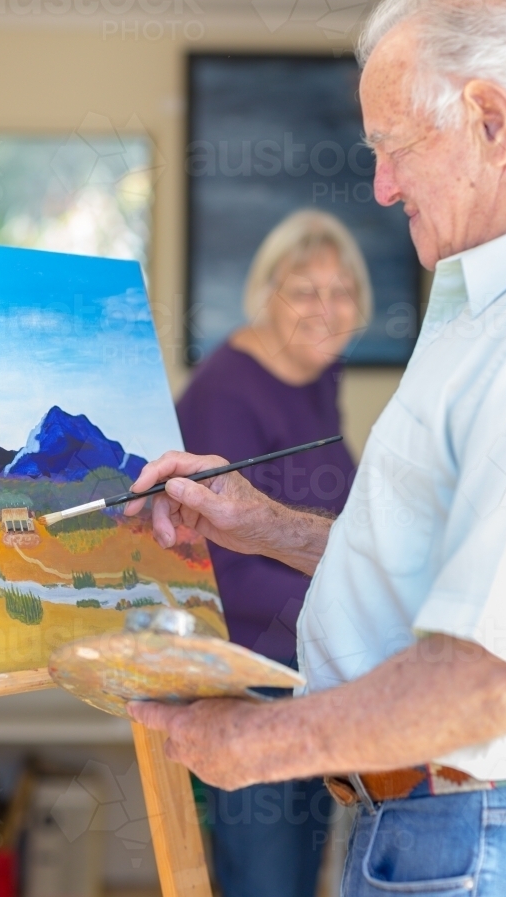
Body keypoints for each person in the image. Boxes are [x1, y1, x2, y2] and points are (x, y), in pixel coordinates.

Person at [126, 0, 506, 896]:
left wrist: (252, 741)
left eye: (393, 146)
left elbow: (505, 671)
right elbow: (431, 568)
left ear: (490, 120)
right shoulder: (475, 304)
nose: (381, 185)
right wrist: (264, 524)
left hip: (473, 824)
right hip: (426, 826)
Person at [177, 210, 369, 897]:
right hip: (252, 674)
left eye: (341, 290)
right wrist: (364, 598)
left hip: (312, 668)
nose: (327, 308)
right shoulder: (225, 390)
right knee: (265, 881)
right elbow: (218, 571)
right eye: (304, 290)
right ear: (265, 294)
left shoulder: (319, 375)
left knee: (301, 873)